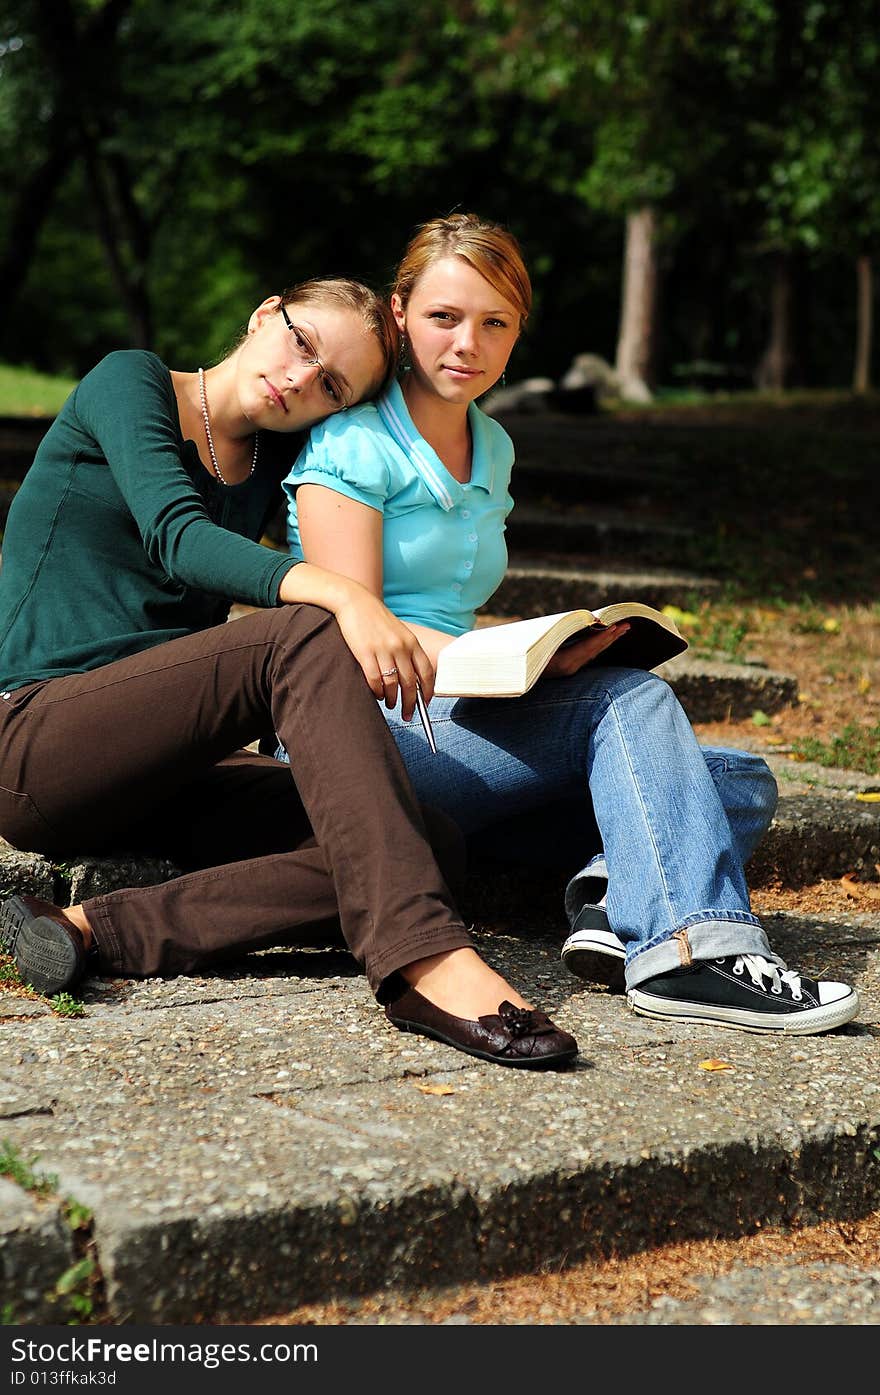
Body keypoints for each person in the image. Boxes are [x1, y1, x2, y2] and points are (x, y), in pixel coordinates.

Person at [280, 215, 859, 1036]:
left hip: (455, 726)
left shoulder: (493, 447)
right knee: (625, 702)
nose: (467, 344)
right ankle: (690, 953)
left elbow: (446, 613)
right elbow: (355, 634)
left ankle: (608, 899)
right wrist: (525, 664)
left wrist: (536, 651)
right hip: (365, 730)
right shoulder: (351, 443)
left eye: (495, 323)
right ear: (400, 314)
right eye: (445, 317)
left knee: (737, 777)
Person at [0, 276, 578, 1071]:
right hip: (36, 743)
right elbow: (178, 536)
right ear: (266, 312)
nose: (301, 378)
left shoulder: (273, 461)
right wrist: (345, 596)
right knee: (304, 629)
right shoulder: (130, 381)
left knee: (425, 845)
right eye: (302, 343)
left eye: (331, 385)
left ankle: (93, 930)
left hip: (164, 771)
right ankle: (425, 962)